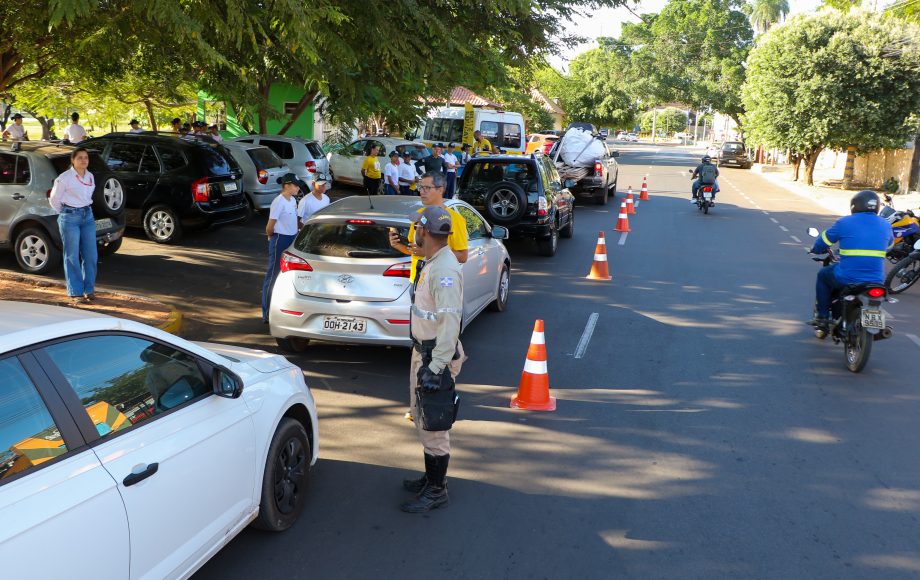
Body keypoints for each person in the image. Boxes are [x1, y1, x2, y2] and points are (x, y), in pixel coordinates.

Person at [399, 204, 466, 513]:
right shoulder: (433, 260)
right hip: (424, 353)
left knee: (434, 426)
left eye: (417, 228)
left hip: (434, 357)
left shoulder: (444, 270)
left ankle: (437, 489)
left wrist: (436, 367)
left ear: (423, 231)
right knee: (423, 419)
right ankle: (431, 478)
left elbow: (450, 322)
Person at [809, 190, 894, 335]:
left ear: (854, 206)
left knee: (823, 275)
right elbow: (890, 246)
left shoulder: (844, 222)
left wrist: (815, 249)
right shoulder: (885, 225)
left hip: (847, 277)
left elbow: (823, 241)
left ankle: (822, 318)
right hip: (877, 280)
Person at [389, 171, 468, 283]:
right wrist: (397, 245)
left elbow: (463, 256)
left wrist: (428, 253)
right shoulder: (418, 214)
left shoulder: (455, 219)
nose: (421, 191)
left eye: (426, 188)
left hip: (440, 282)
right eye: (420, 187)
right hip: (416, 281)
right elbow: (414, 250)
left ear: (440, 190)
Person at [49, 148, 98, 305]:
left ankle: (88, 289)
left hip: (88, 216)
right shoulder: (64, 178)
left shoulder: (90, 176)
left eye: (86, 158)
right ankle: (75, 292)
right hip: (70, 217)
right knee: (72, 255)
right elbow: (54, 199)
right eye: (80, 158)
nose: (83, 160)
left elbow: (88, 196)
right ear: (73, 160)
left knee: (91, 255)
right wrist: (64, 213)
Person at [262, 173, 304, 323]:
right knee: (273, 274)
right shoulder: (278, 202)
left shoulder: (293, 200)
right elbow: (269, 227)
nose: (298, 188)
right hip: (280, 238)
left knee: (289, 273)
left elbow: (294, 220)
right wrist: (271, 238)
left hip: (292, 238)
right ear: (287, 185)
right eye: (295, 185)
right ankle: (267, 312)